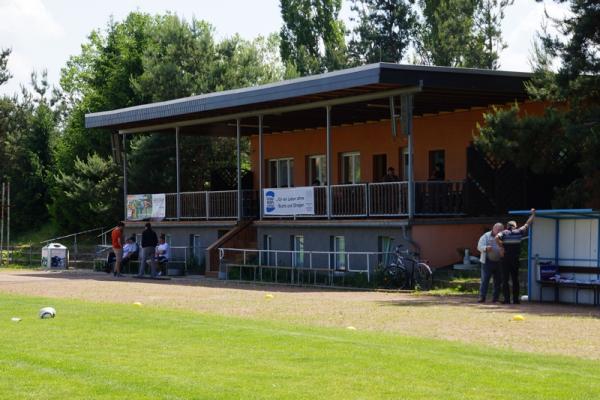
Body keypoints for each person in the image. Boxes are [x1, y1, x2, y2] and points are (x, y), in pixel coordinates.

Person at [496, 209, 536, 304]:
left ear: (507, 226)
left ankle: (507, 300)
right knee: (515, 279)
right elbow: (527, 224)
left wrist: (501, 247)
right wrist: (533, 214)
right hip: (515, 259)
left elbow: (496, 237)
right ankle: (516, 300)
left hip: (505, 259)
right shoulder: (519, 231)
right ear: (515, 226)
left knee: (505, 280)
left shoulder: (504, 233)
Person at [477, 222, 504, 303]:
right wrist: (485, 248)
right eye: (498, 230)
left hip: (499, 261)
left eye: (501, 230)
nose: (500, 231)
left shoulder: (503, 236)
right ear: (493, 229)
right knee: (485, 280)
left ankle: (495, 298)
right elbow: (479, 247)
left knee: (498, 281)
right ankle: (482, 297)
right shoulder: (486, 236)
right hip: (487, 262)